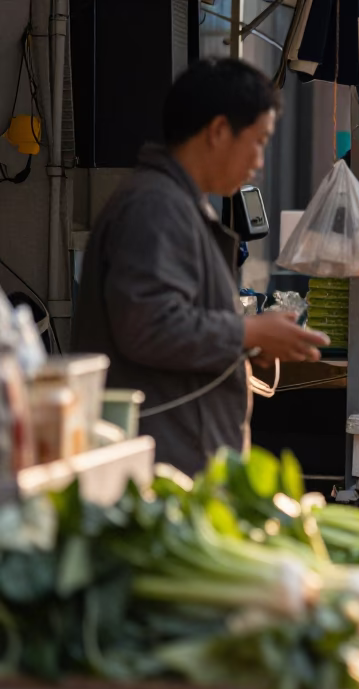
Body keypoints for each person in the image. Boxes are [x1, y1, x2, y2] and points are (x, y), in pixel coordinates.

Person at [73, 59, 328, 477]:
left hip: (180, 448)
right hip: (159, 460)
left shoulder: (179, 203)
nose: (260, 161)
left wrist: (252, 340)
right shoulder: (155, 206)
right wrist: (248, 332)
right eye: (259, 141)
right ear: (218, 132)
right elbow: (148, 326)